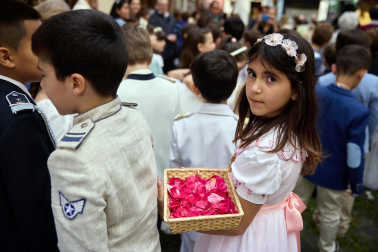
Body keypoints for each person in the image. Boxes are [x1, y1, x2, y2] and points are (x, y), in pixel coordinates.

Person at [157, 32, 322, 252]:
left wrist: (172, 213)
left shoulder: (265, 151)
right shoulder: (284, 128)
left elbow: (238, 224)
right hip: (268, 228)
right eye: (252, 74)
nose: (255, 87)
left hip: (247, 239)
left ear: (295, 89)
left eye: (271, 78)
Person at [32, 10, 160, 251]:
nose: (43, 84)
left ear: (76, 83)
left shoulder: (71, 160)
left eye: (44, 75)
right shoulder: (134, 117)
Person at [294, 45, 370, 252]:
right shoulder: (359, 110)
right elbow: (354, 153)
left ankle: (287, 240)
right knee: (330, 213)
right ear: (362, 75)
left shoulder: (316, 91)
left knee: (294, 205)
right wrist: (355, 184)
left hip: (305, 163)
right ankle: (327, 247)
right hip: (335, 174)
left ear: (335, 68)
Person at [0, 1, 58, 251]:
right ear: (6, 56)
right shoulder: (21, 117)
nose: (48, 51)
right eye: (37, 45)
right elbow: (35, 208)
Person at [170, 50, 239, 252]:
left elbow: (174, 172)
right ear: (233, 87)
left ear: (195, 88)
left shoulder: (182, 124)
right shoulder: (241, 129)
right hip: (227, 214)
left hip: (191, 212)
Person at [118, 23, 179, 190]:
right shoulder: (174, 88)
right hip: (169, 184)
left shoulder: (113, 93)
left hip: (129, 186)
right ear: (151, 57)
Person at [318, 29, 378, 148]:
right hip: (359, 141)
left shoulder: (324, 80)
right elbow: (374, 118)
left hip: (324, 141)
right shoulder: (374, 82)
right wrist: (369, 140)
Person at [148, 0, 179, 73]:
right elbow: (154, 32)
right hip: (160, 51)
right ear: (157, 5)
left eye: (165, 5)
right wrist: (167, 37)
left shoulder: (172, 18)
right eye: (161, 4)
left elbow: (176, 30)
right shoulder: (153, 18)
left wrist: (175, 35)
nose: (163, 6)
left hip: (171, 51)